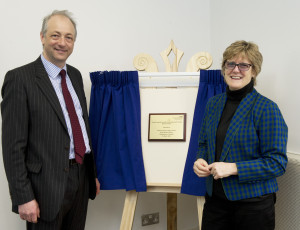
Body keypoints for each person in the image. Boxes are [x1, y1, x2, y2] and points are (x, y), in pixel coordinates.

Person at [1, 10, 100, 230]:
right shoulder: (19, 79)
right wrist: (23, 196)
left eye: (69, 37)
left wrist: (90, 175)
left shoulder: (75, 75)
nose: (62, 43)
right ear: (42, 37)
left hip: (80, 179)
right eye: (55, 35)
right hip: (45, 188)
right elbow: (12, 147)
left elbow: (81, 127)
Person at [193, 40, 288, 230]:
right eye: (231, 63)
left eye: (244, 65)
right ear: (224, 68)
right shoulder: (213, 104)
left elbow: (277, 162)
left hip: (253, 206)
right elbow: (203, 143)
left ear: (254, 71)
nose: (236, 70)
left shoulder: (267, 108)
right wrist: (200, 160)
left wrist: (233, 168)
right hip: (215, 202)